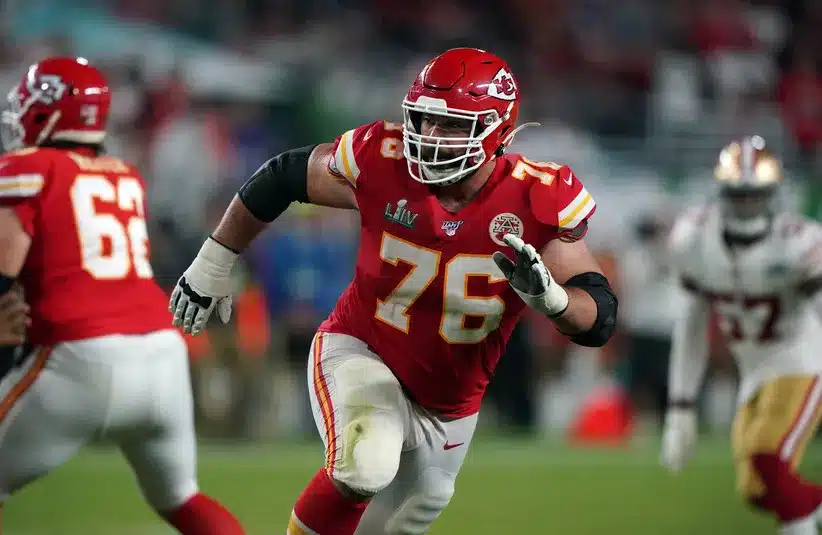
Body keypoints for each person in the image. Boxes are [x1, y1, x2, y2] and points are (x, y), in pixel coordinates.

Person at [171, 47, 618, 535]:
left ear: (497, 130)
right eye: (425, 121)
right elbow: (283, 177)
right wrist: (213, 262)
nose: (429, 138)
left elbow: (598, 316)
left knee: (392, 523)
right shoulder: (382, 159)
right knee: (367, 462)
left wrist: (552, 300)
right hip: (362, 348)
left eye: (450, 126)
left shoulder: (536, 196)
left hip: (451, 406)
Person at [0, 56, 244, 535]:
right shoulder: (122, 173)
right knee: (181, 498)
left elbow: (5, 265)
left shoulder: (28, 168)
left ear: (45, 108)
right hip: (160, 351)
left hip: (81, 355)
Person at [662, 136, 822, 535]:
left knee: (768, 460)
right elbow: (692, 325)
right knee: (755, 488)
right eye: (740, 194)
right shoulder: (695, 240)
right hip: (751, 370)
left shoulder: (798, 241)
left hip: (800, 359)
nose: (748, 203)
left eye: (756, 195)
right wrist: (681, 407)